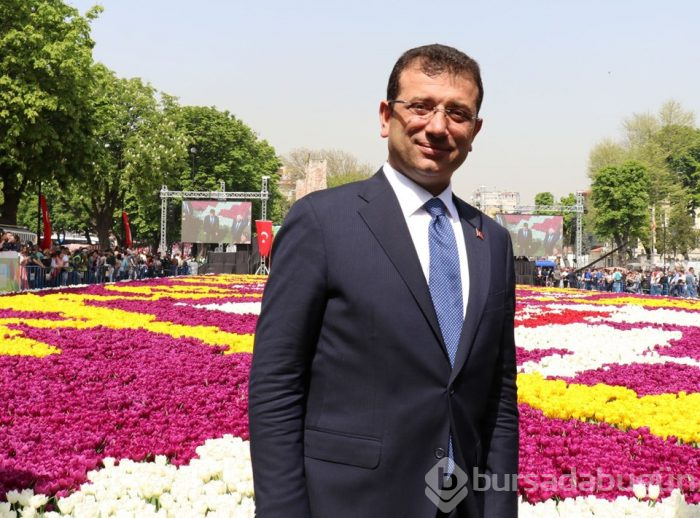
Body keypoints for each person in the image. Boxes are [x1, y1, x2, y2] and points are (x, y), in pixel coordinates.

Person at [249, 44, 518, 518]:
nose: (437, 126)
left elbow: (498, 397)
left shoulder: (491, 241)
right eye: (420, 106)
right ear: (384, 116)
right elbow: (277, 385)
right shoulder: (322, 222)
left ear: (474, 132)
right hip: (351, 502)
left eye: (458, 113)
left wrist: (499, 507)